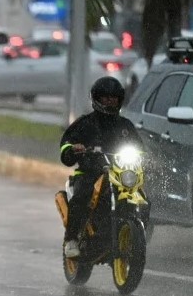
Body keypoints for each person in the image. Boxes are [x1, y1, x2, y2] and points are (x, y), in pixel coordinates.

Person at [59, 76, 144, 258]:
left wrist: (148, 160)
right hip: (89, 173)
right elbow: (66, 144)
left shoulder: (126, 126)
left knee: (142, 196)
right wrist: (73, 149)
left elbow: (140, 149)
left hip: (120, 173)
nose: (110, 102)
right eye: (106, 98)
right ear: (97, 99)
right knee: (82, 196)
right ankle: (71, 239)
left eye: (114, 98)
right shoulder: (85, 124)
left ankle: (136, 232)